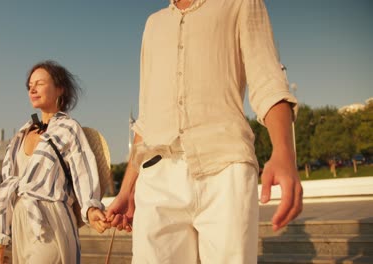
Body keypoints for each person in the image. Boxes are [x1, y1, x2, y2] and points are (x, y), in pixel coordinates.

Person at [106, 0, 303, 263]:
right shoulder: (154, 24)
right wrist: (127, 189)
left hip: (225, 168)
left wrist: (284, 151)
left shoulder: (240, 4)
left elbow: (267, 79)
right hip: (157, 176)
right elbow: (147, 116)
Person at [0, 60, 110, 264]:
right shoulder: (20, 135)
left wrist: (90, 208)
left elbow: (83, 173)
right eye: (30, 85)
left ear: (59, 89)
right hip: (21, 225)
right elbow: (8, 188)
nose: (33, 89)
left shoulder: (68, 128)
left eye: (40, 83)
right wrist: (1, 238)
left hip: (51, 221)